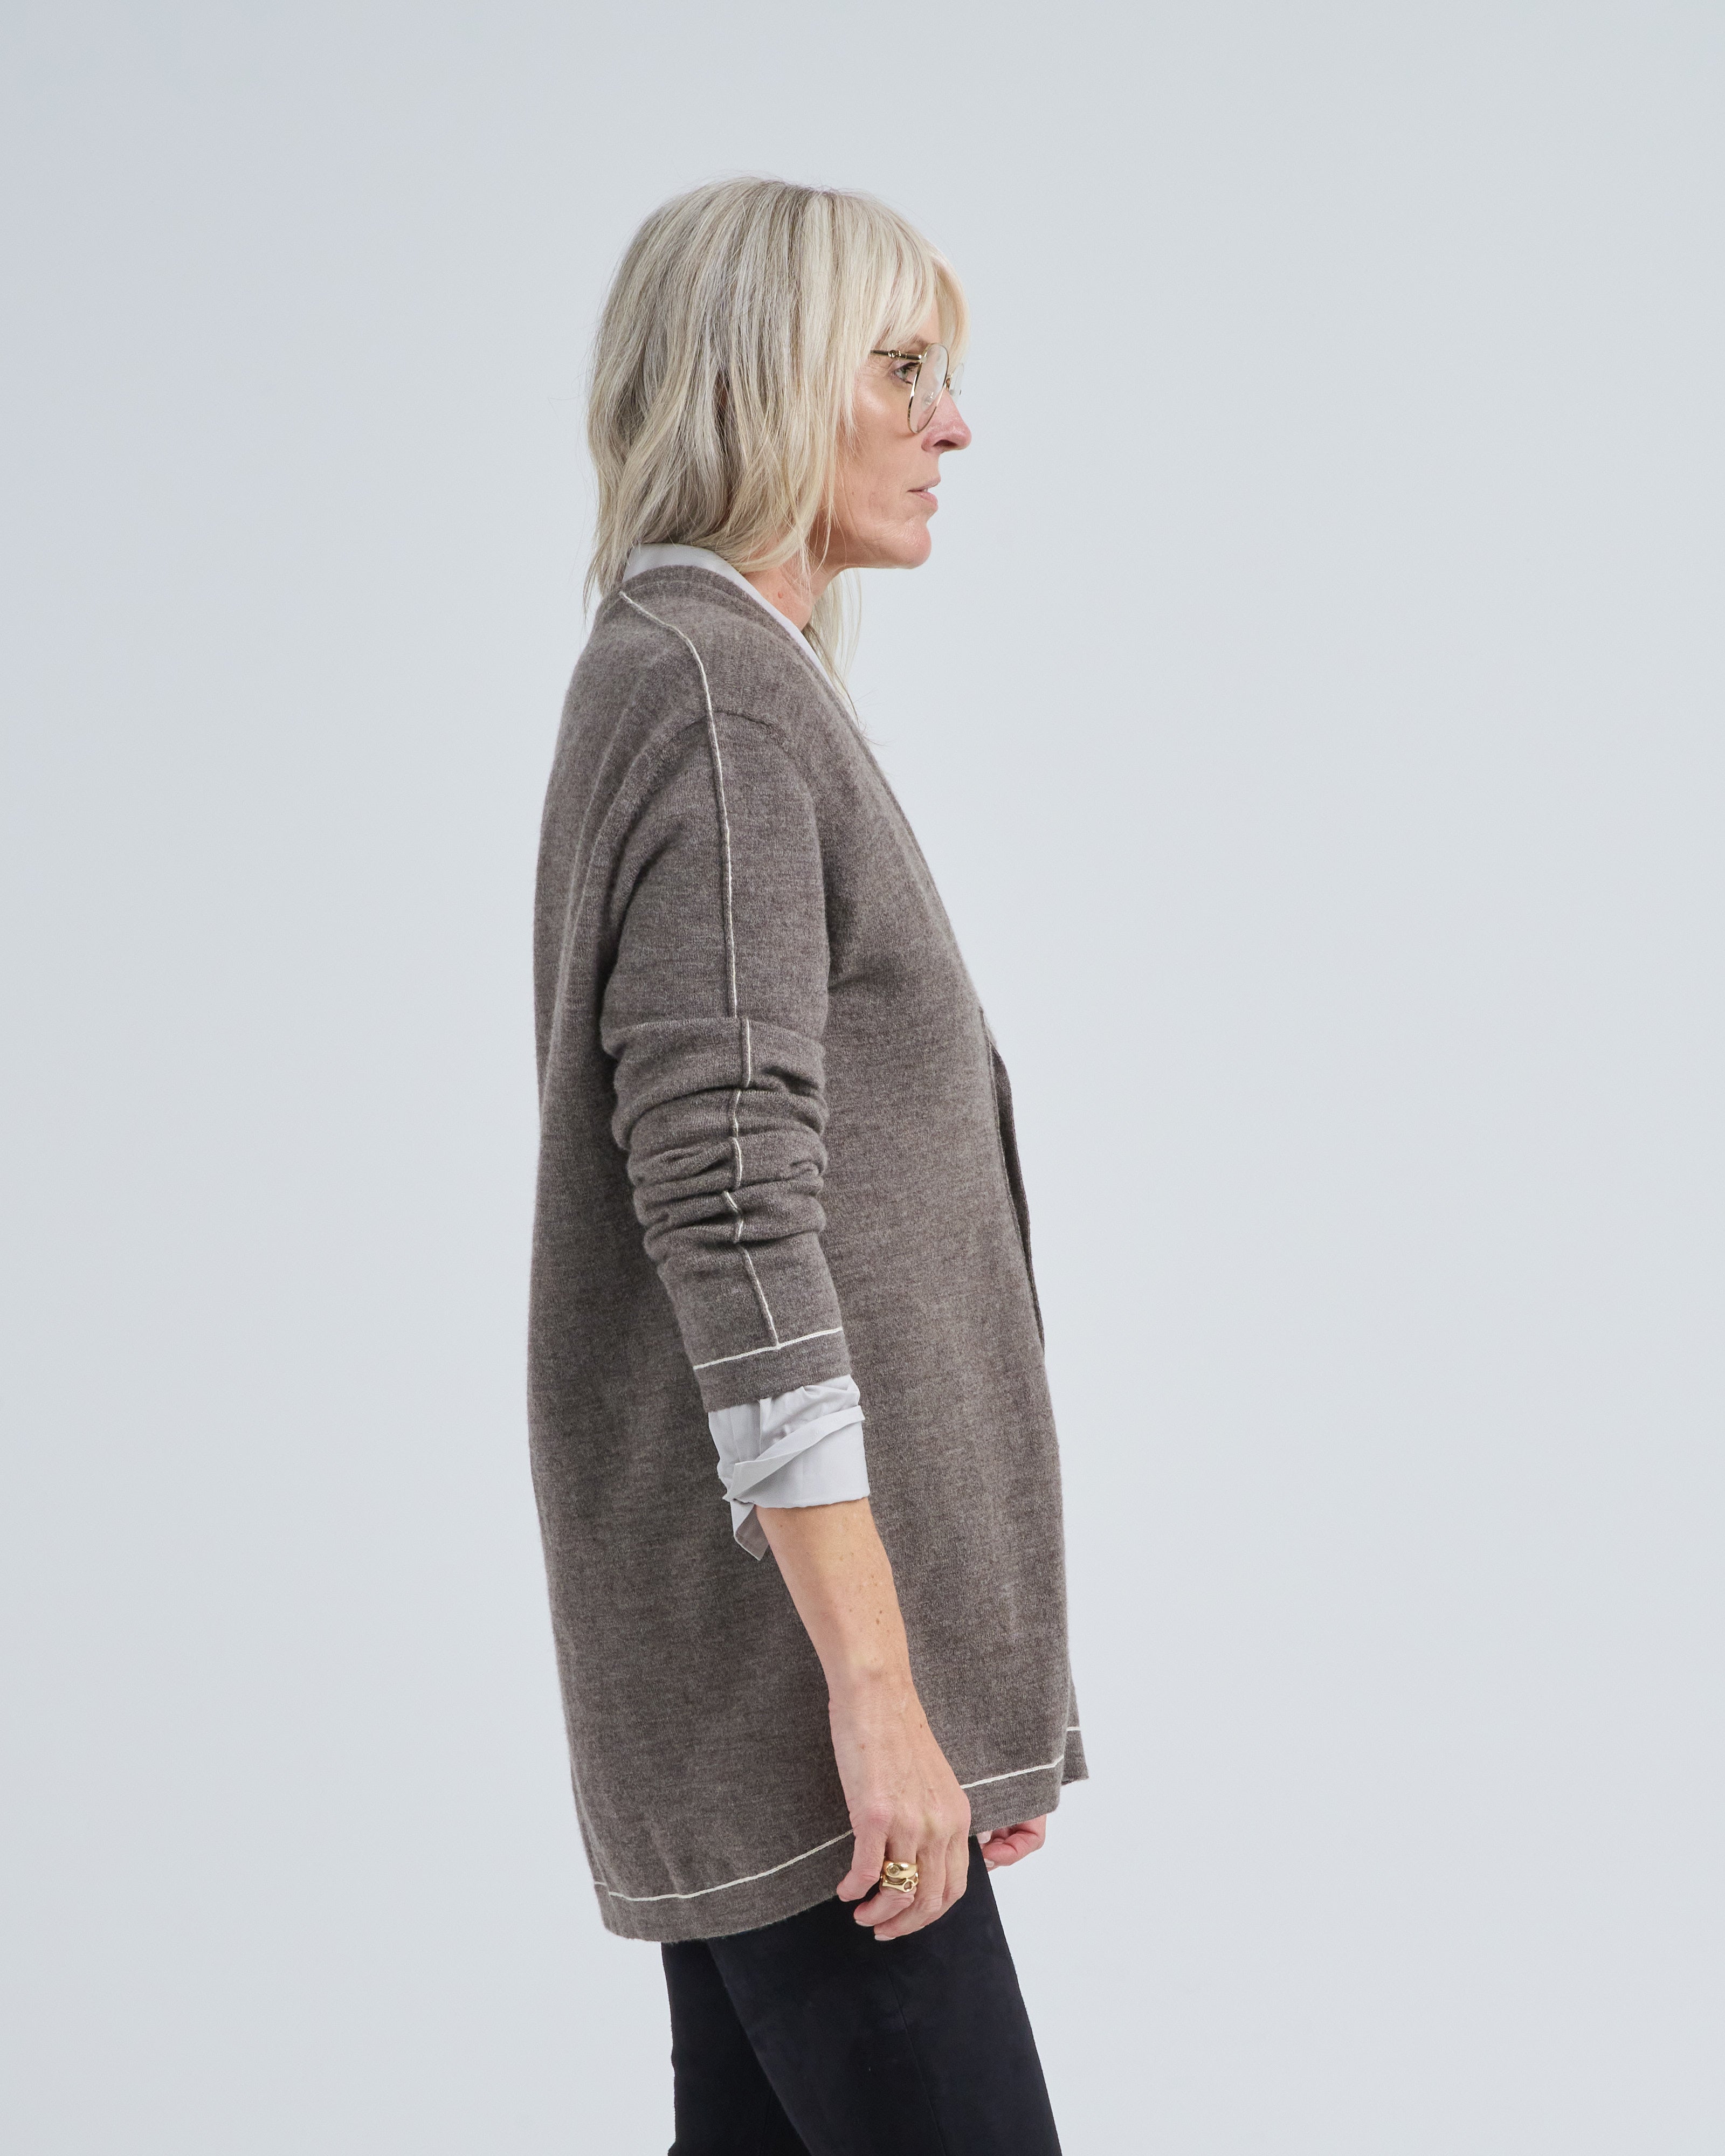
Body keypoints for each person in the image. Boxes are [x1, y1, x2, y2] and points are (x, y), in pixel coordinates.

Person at [529, 177, 1085, 2154]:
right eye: (904, 370)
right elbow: (728, 1197)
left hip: (769, 1686)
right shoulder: (712, 696)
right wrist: (877, 1692)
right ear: (768, 380)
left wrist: (946, 1680)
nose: (954, 423)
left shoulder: (710, 675)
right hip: (791, 1709)